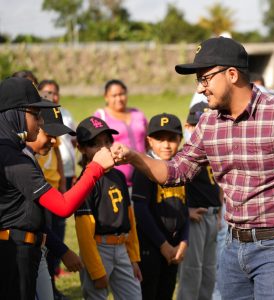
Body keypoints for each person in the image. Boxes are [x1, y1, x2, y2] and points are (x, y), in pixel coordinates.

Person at [112, 37, 274, 300]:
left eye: (205, 78)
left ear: (232, 74)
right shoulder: (208, 123)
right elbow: (177, 172)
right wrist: (133, 156)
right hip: (232, 245)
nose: (201, 89)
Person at [0, 77, 114, 300]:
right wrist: (95, 168)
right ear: (16, 113)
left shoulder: (13, 151)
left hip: (25, 249)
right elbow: (62, 206)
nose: (40, 122)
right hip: (13, 253)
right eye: (36, 113)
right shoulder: (10, 156)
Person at [74, 116, 142, 300]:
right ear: (81, 148)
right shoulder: (85, 183)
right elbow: (84, 234)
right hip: (98, 248)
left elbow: (130, 219)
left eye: (107, 142)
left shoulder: (119, 176)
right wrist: (96, 271)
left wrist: (134, 258)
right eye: (95, 144)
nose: (103, 149)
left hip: (122, 250)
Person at [25, 106, 83, 300]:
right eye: (49, 134)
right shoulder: (21, 164)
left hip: (36, 248)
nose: (54, 141)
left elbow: (38, 222)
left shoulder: (31, 160)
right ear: (33, 126)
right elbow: (63, 207)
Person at [131, 113, 189, 300]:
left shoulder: (180, 167)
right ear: (149, 140)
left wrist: (184, 242)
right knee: (149, 291)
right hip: (151, 245)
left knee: (167, 291)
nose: (166, 144)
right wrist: (163, 245)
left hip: (174, 246)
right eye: (160, 139)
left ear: (180, 140)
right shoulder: (144, 168)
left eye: (172, 139)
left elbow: (184, 207)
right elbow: (140, 210)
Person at [177, 103, 222, 300]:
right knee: (192, 270)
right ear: (188, 127)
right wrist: (186, 211)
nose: (203, 131)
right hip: (195, 218)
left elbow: (219, 184)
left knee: (210, 271)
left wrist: (220, 210)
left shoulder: (217, 152)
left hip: (213, 215)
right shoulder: (185, 156)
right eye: (197, 125)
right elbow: (174, 190)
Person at [94, 79, 148, 188]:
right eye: (114, 95)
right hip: (116, 180)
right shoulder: (101, 116)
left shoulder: (138, 114)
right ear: (106, 97)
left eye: (122, 94)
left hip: (143, 175)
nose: (119, 98)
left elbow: (148, 140)